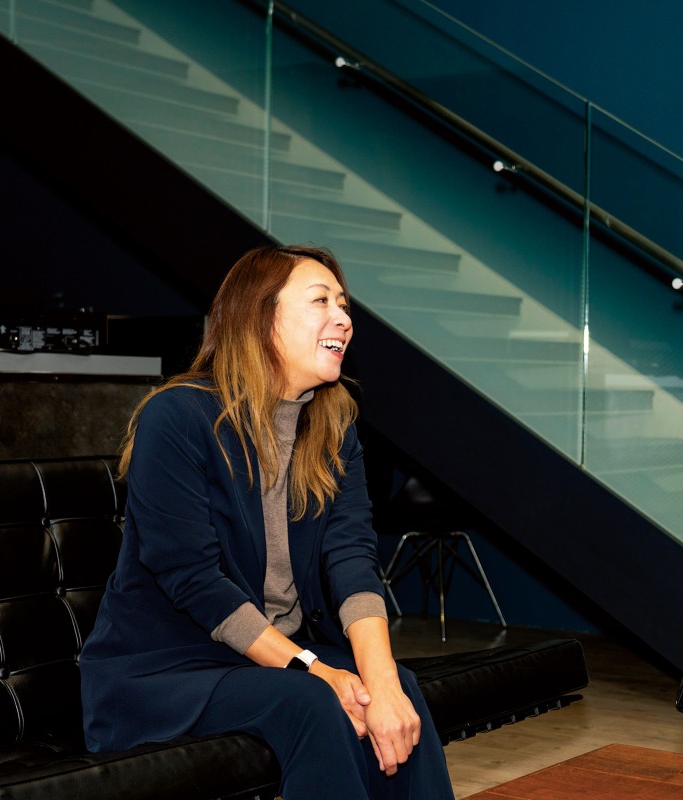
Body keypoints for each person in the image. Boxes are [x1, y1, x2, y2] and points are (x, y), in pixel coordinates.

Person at [79, 244, 454, 800]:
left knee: (400, 688)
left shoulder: (333, 430)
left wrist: (383, 680)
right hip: (164, 672)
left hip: (270, 662)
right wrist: (313, 669)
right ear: (262, 318)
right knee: (316, 700)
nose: (343, 318)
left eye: (344, 304)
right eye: (320, 301)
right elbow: (194, 580)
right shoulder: (177, 416)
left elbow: (352, 557)